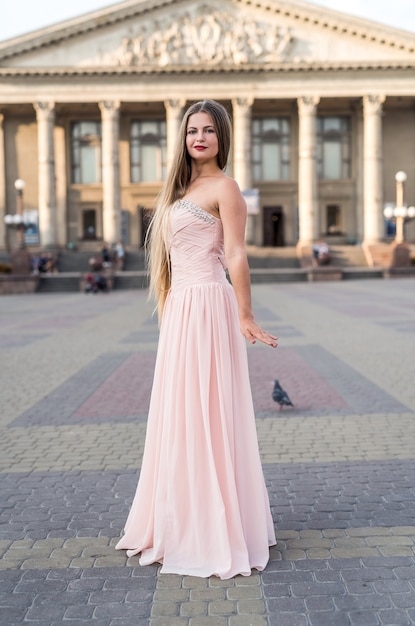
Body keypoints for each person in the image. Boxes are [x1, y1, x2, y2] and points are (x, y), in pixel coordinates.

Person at [115, 99, 278, 579]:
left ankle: (211, 529)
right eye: (192, 130)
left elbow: (237, 254)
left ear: (222, 137)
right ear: (183, 138)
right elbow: (166, 261)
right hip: (181, 309)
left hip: (209, 305)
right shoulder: (177, 188)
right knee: (178, 412)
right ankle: (176, 520)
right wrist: (167, 308)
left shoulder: (225, 188)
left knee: (206, 412)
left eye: (209, 130)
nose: (200, 137)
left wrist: (245, 314)